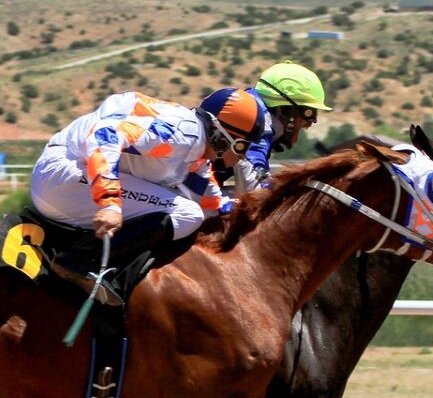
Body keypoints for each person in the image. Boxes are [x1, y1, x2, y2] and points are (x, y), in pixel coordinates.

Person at [29, 88, 265, 304]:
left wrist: (232, 208)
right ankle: (79, 260)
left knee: (193, 209)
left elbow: (207, 194)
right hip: (62, 180)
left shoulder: (195, 148)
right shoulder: (183, 135)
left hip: (65, 178)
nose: (242, 158)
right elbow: (104, 136)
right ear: (224, 136)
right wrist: (109, 202)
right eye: (243, 147)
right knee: (187, 213)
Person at [216, 60, 331, 194]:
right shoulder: (257, 122)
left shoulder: (252, 108)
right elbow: (254, 189)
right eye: (307, 116)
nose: (313, 121)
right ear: (286, 111)